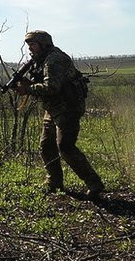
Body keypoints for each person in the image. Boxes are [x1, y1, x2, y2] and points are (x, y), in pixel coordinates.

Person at [15, 30, 105, 200]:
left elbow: (51, 87)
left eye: (32, 45)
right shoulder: (41, 60)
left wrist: (27, 89)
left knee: (65, 147)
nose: (30, 49)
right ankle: (54, 182)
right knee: (46, 145)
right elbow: (45, 84)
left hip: (68, 108)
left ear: (43, 44)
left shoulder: (54, 59)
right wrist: (28, 84)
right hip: (54, 108)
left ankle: (94, 183)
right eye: (29, 45)